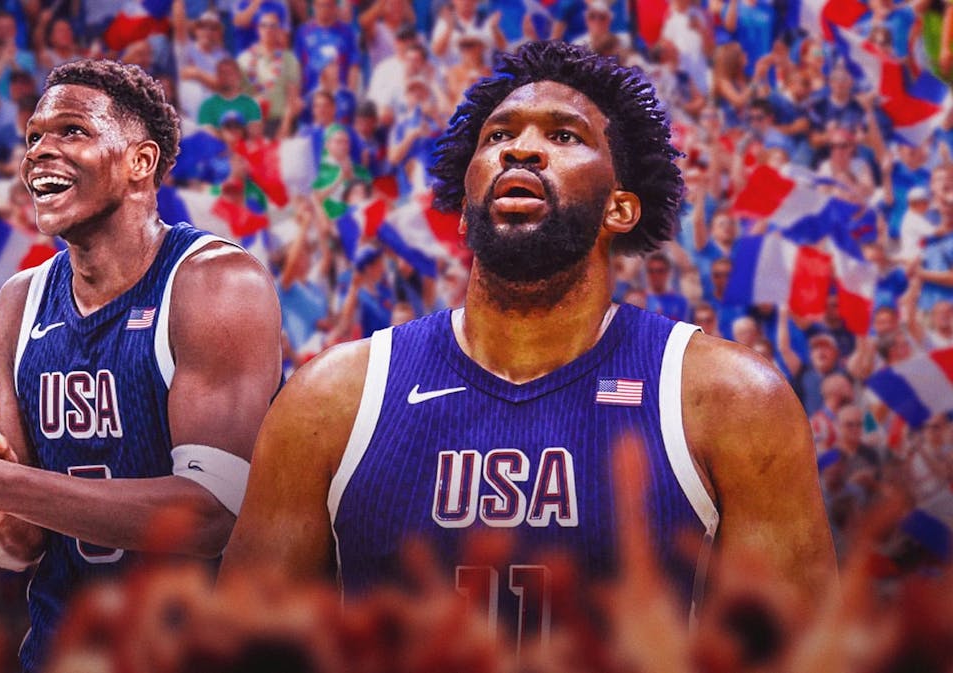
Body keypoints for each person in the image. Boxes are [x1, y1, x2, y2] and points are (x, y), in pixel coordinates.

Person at [222, 41, 835, 632]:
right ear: (463, 210)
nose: (524, 150)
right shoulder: (330, 399)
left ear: (619, 210)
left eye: (564, 136)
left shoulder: (732, 401)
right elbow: (241, 650)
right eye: (499, 135)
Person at [0, 59, 283, 673]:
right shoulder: (19, 302)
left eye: (71, 131)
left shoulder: (214, 283)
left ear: (140, 162)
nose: (39, 153)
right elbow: (23, 544)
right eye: (32, 138)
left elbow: (211, 514)